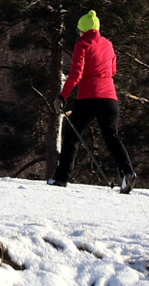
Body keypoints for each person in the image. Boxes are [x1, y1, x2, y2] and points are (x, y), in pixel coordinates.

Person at [49, 10, 136, 194]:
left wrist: (63, 96)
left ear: (84, 30)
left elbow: (76, 75)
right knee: (112, 137)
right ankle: (127, 172)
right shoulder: (109, 44)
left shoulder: (82, 44)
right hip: (110, 98)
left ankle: (61, 178)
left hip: (89, 97)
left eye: (80, 30)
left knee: (73, 136)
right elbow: (112, 70)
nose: (79, 33)